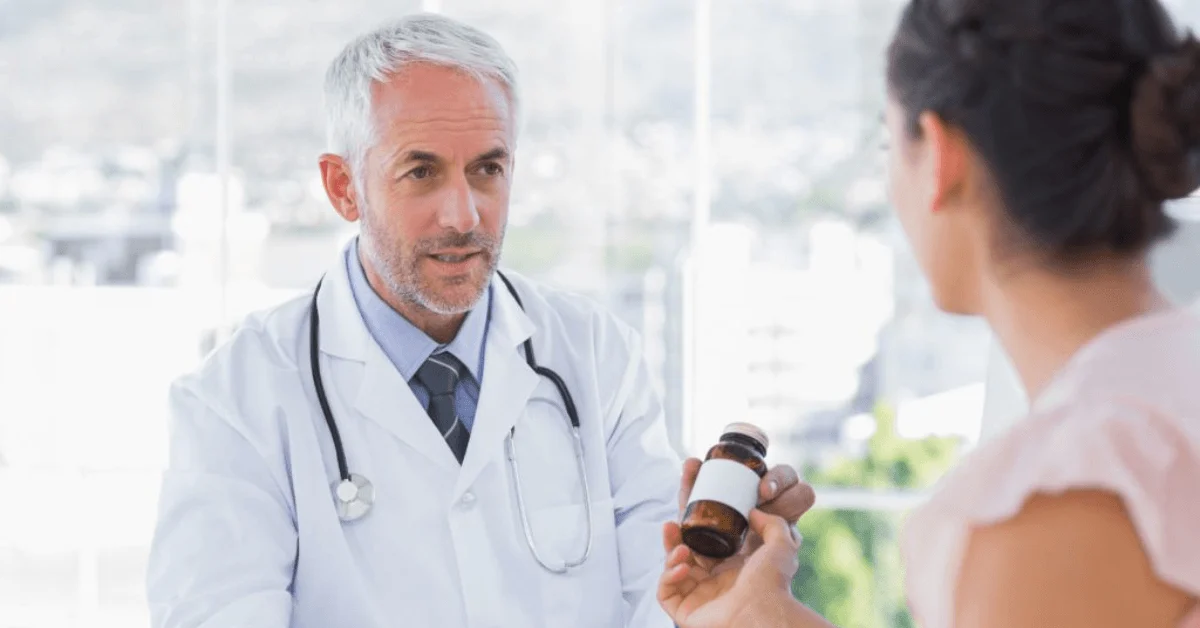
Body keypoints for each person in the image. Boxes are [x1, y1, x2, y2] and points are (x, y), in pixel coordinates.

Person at [144, 13, 814, 628]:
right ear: (343, 186)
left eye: (488, 169)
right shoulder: (235, 401)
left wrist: (723, 598)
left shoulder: (596, 358)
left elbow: (660, 603)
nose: (463, 215)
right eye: (421, 173)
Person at [658, 0, 1200, 626]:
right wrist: (760, 614)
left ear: (943, 156)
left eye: (893, 143)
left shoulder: (1060, 495)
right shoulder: (1159, 400)